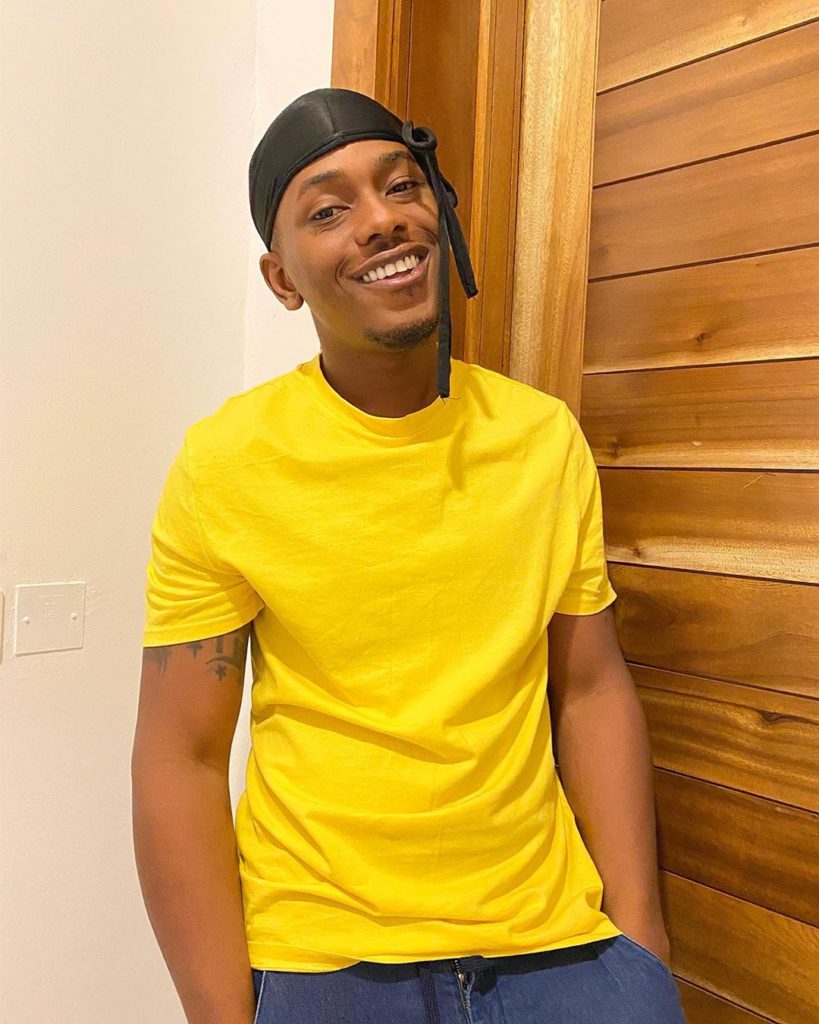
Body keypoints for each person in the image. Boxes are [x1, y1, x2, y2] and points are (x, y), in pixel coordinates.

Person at [131, 88, 687, 1024]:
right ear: (281, 278)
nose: (381, 219)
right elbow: (179, 756)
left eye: (400, 185)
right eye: (327, 210)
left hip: (563, 952)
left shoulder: (541, 438)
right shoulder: (225, 464)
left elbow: (590, 687)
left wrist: (641, 949)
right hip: (323, 962)